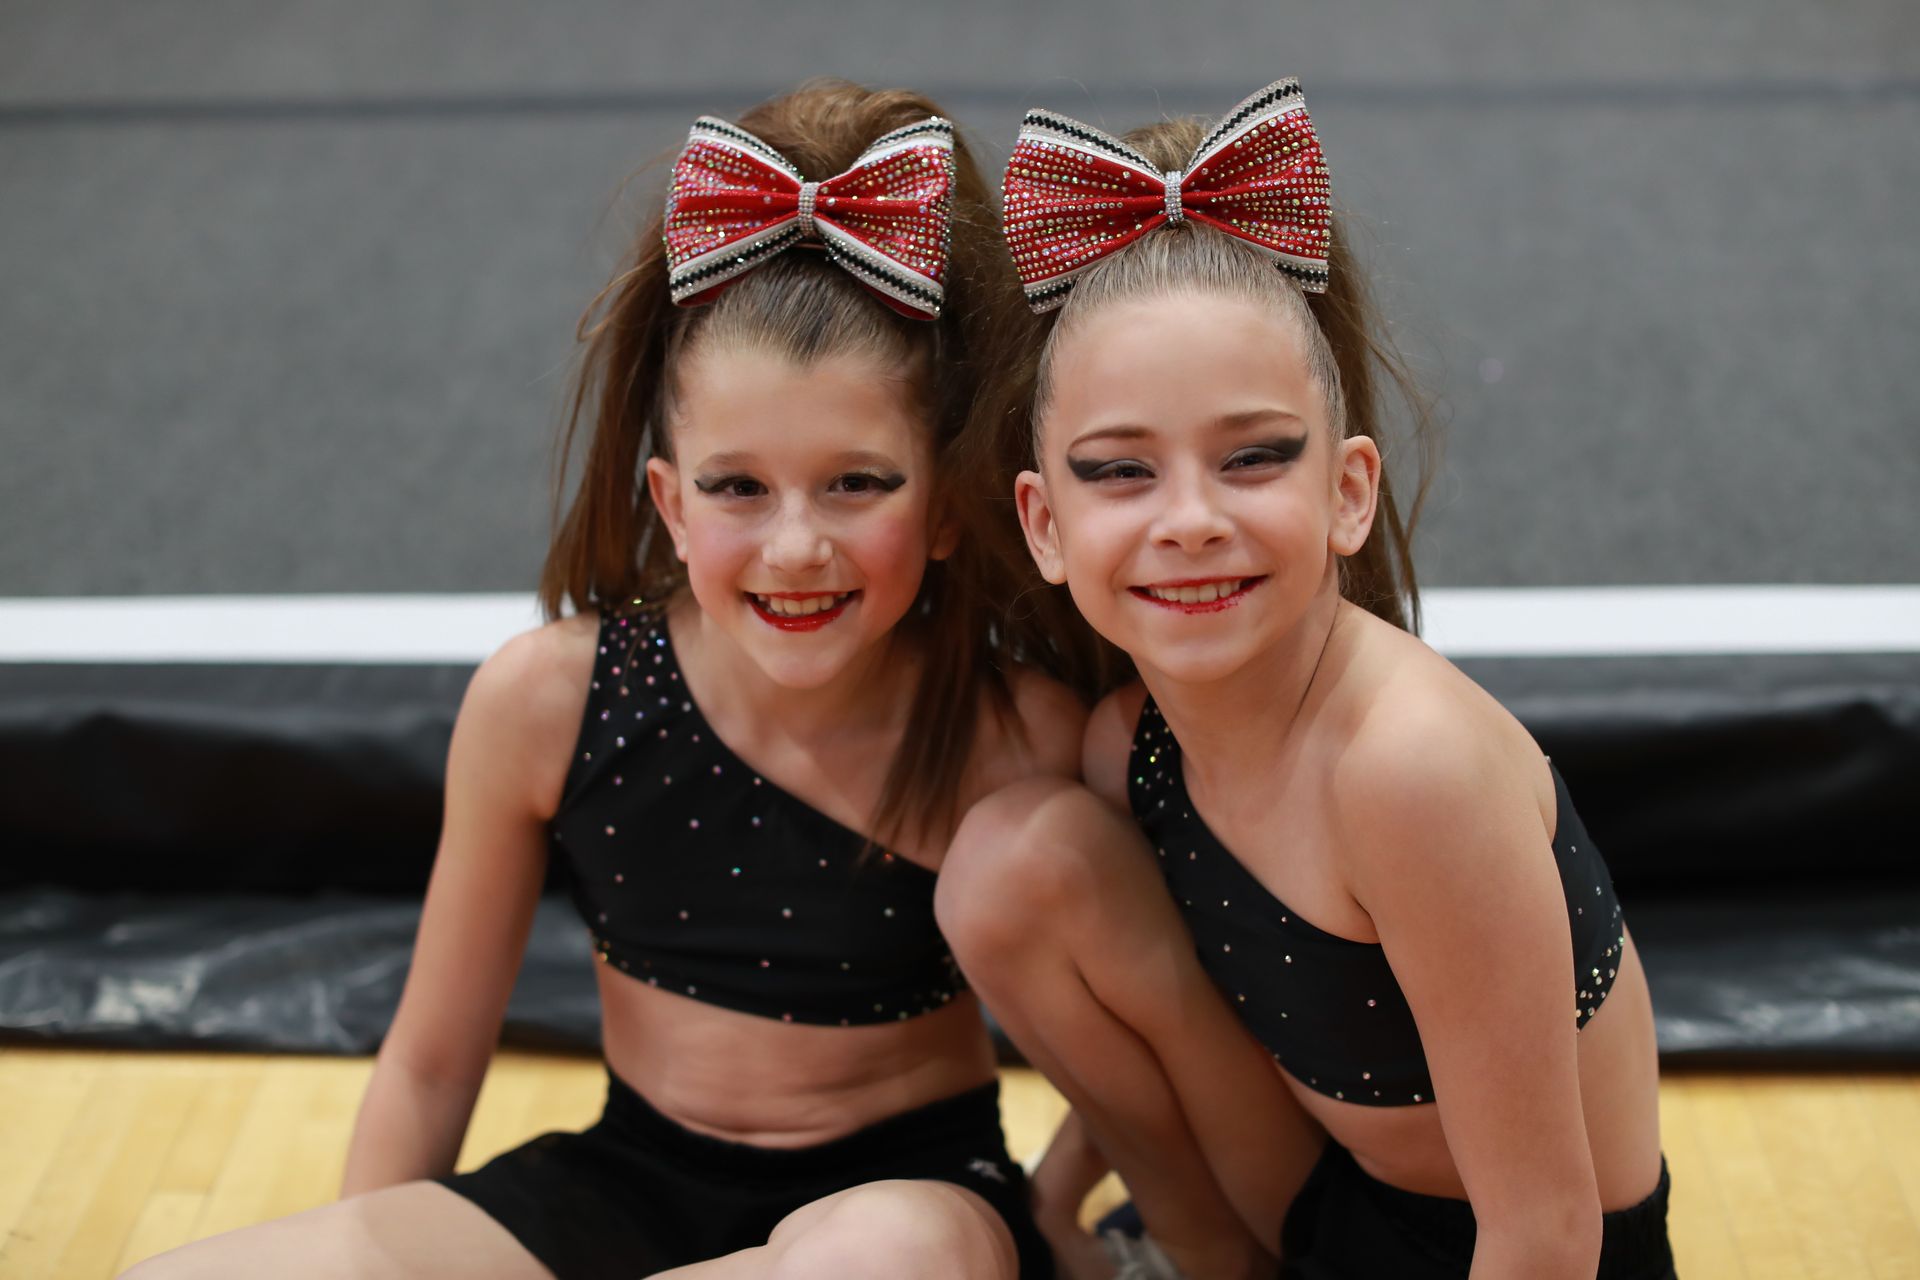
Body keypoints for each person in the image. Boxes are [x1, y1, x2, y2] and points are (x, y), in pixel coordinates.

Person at [126, 79, 1087, 1280]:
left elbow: (1160, 1025)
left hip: (910, 1206)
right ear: (670, 503)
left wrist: (1056, 1209)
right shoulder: (548, 702)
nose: (797, 545)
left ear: (946, 504)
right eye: (740, 488)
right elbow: (429, 1062)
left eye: (857, 483)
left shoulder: (1022, 734)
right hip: (627, 1180)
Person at [936, 79, 1674, 1280]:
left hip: (1520, 1251)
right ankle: (1189, 1253)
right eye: (1121, 471)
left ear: (1348, 489)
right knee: (1015, 865)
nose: (1189, 520)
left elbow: (1548, 1230)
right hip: (1325, 1214)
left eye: (1254, 458)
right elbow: (1209, 1023)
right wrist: (1053, 1212)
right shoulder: (1134, 744)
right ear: (1044, 521)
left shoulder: (1407, 767)